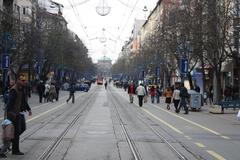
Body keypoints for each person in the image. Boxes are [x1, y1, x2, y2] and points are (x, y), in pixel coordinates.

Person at [0, 74, 32, 158]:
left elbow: (23, 101)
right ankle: (14, 150)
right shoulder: (14, 90)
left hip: (19, 113)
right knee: (16, 132)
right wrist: (11, 115)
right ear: (18, 80)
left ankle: (9, 144)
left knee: (22, 128)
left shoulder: (22, 89)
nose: (24, 82)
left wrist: (29, 109)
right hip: (13, 115)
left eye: (24, 80)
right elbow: (9, 105)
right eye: (22, 80)